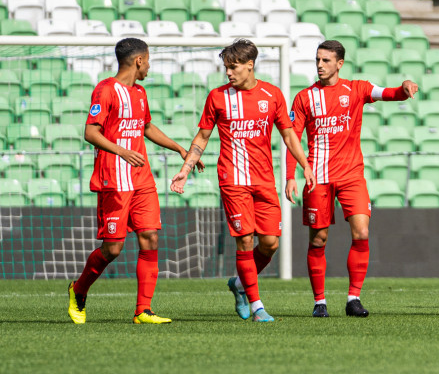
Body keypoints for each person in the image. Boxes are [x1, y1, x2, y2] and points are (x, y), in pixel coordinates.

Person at [170, 39, 315, 322]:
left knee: (270, 243)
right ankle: (257, 304)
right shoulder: (217, 97)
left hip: (263, 180)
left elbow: (288, 135)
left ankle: (238, 284)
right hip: (232, 180)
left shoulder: (272, 95)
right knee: (245, 241)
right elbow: (202, 137)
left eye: (233, 67)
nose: (228, 72)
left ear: (250, 65)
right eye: (226, 67)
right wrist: (185, 169)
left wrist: (304, 165)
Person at [69, 38, 199, 324]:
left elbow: (147, 127)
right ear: (139, 60)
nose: (149, 66)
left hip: (142, 180)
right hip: (114, 179)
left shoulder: (140, 93)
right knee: (112, 249)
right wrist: (122, 151)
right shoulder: (105, 89)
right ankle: (78, 290)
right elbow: (90, 132)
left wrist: (178, 148)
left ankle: (143, 311)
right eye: (149, 60)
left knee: (150, 237)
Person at [286, 40, 418, 318]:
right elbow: (292, 140)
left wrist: (405, 88)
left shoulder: (356, 89)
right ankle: (319, 301)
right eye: (317, 60)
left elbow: (389, 93)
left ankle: (353, 299)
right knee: (319, 240)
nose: (320, 65)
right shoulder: (304, 98)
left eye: (325, 60)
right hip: (317, 177)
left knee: (362, 232)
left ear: (339, 63)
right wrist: (290, 176)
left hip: (351, 175)